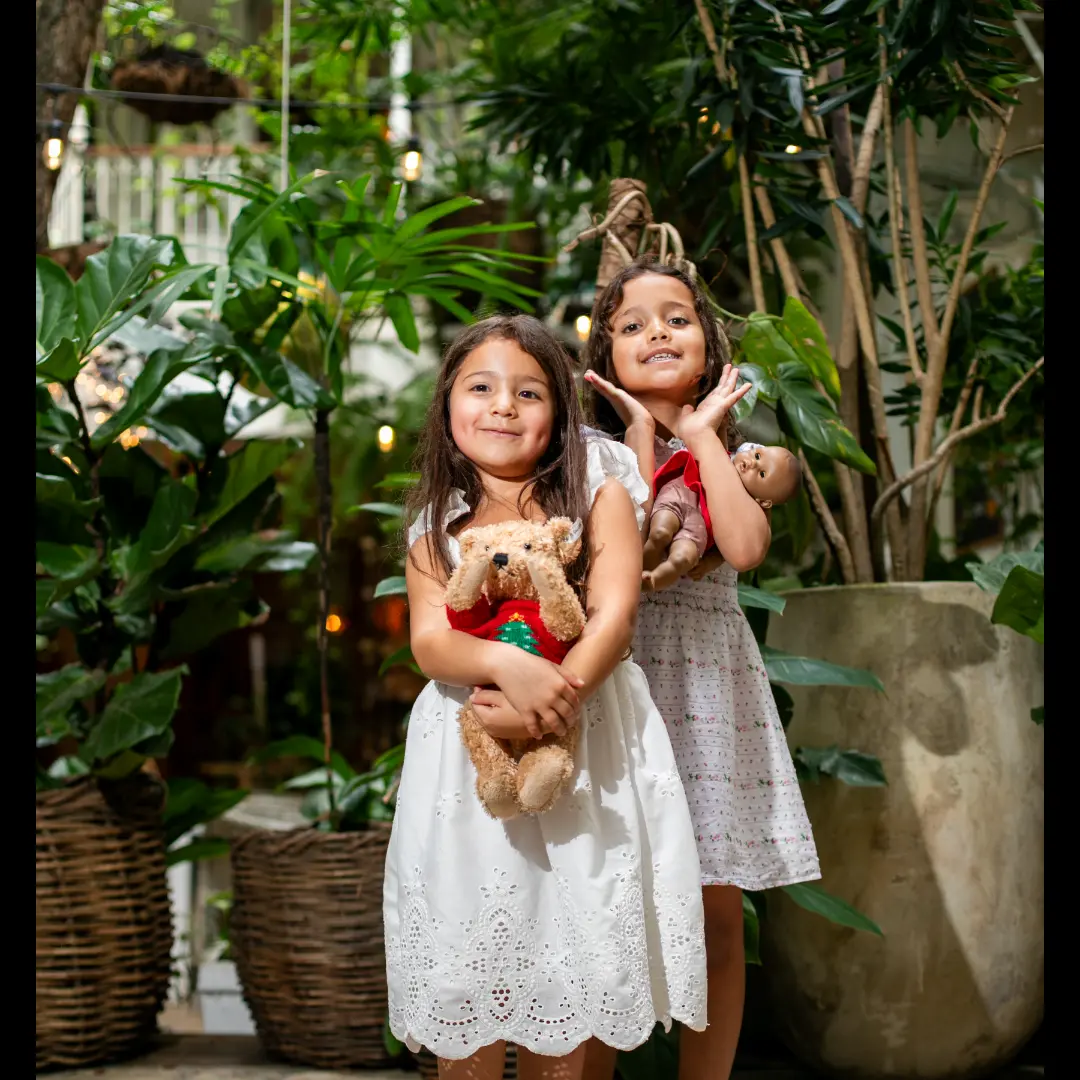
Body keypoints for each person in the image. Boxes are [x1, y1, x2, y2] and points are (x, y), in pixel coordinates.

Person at [383, 313, 708, 1080]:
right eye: (481, 388)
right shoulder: (437, 521)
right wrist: (510, 667)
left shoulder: (596, 489)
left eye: (527, 392)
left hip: (587, 735)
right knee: (473, 940)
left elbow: (616, 615)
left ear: (558, 412)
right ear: (447, 406)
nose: (502, 405)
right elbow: (432, 641)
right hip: (471, 751)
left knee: (576, 935)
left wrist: (558, 693)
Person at [582, 258, 821, 1080]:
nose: (656, 332)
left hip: (710, 689)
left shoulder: (739, 452)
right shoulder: (589, 455)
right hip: (618, 681)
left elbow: (746, 546)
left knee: (717, 907)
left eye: (676, 317)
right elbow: (619, 550)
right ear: (604, 351)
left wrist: (699, 437)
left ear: (711, 343)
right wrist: (644, 441)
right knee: (609, 897)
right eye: (632, 323)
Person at [643, 440, 802, 591]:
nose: (753, 463)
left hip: (699, 528)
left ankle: (655, 578)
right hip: (681, 494)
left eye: (761, 474)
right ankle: (647, 560)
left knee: (684, 556)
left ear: (764, 502)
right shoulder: (723, 456)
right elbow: (713, 438)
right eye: (757, 455)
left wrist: (707, 564)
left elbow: (724, 550)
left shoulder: (746, 512)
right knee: (660, 531)